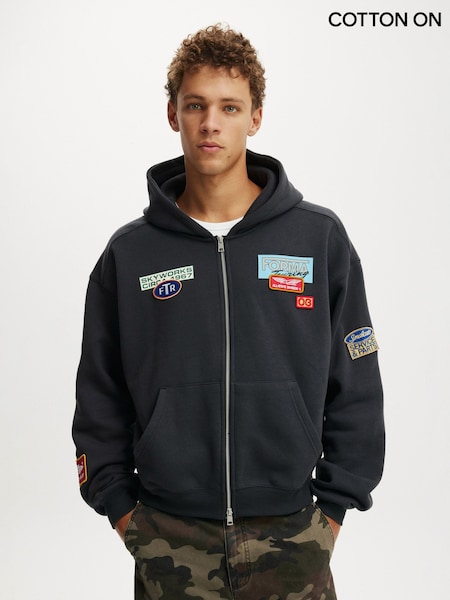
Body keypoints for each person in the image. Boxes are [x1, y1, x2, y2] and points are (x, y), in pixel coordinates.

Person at [73, 24, 384, 599]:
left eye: (229, 107)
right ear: (173, 114)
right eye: (195, 105)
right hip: (167, 536)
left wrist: (334, 510)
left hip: (294, 533)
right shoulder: (131, 253)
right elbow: (99, 394)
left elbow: (357, 382)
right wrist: (122, 511)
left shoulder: (318, 239)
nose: (210, 123)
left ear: (255, 117)